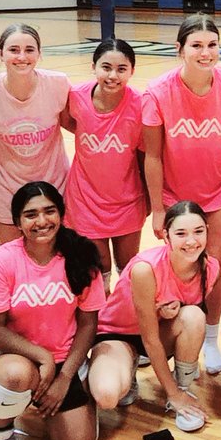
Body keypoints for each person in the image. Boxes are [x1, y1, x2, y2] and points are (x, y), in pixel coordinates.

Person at [0, 182, 106, 440]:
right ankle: (1, 437)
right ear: (18, 222)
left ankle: (75, 398)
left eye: (49, 211)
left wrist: (65, 377)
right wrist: (43, 358)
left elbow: (88, 324)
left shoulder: (82, 256)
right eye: (30, 214)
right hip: (10, 357)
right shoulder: (1, 261)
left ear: (61, 214)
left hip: (64, 360)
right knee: (15, 375)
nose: (42, 221)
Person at [143, 14, 221, 376]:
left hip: (217, 194)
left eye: (212, 45)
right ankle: (173, 334)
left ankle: (210, 337)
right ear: (180, 50)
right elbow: (153, 155)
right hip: (176, 198)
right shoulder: (158, 91)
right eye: (197, 45)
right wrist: (158, 208)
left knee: (214, 269)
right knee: (179, 269)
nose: (206, 53)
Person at [87, 201, 219, 432]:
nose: (191, 241)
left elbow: (184, 316)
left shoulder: (210, 267)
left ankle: (183, 387)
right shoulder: (145, 269)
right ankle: (106, 370)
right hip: (119, 335)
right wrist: (172, 394)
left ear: (208, 229)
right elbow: (149, 339)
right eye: (181, 233)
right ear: (166, 236)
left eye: (199, 231)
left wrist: (177, 393)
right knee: (107, 396)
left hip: (157, 332)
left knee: (194, 317)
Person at [61, 38, 146, 290]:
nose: (112, 75)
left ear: (132, 70)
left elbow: (145, 155)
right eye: (106, 67)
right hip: (85, 202)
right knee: (99, 276)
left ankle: (125, 325)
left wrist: (149, 199)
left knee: (129, 274)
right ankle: (102, 327)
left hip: (127, 201)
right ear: (93, 66)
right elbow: (69, 122)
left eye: (121, 69)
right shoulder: (76, 97)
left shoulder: (140, 104)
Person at [0, 24, 71, 245]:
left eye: (29, 50)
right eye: (14, 50)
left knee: (56, 261)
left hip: (53, 186)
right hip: (5, 189)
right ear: (1, 54)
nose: (22, 57)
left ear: (39, 53)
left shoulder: (58, 84)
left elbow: (75, 123)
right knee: (13, 261)